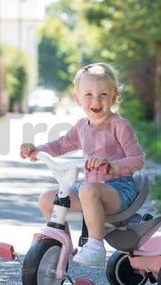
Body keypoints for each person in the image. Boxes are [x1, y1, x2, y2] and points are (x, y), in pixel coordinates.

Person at [20, 63, 144, 266]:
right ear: (77, 98)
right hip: (90, 189)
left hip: (119, 189)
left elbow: (137, 160)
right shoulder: (81, 127)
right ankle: (63, 247)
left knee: (88, 189)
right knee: (48, 199)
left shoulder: (119, 126)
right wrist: (37, 150)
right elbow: (61, 145)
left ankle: (95, 246)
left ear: (114, 97)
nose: (96, 100)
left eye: (103, 94)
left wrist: (111, 165)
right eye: (89, 94)